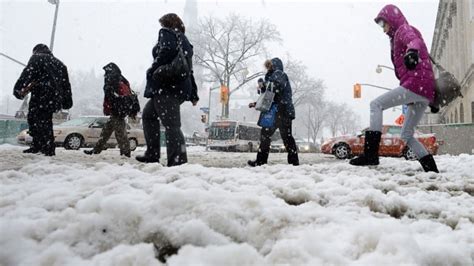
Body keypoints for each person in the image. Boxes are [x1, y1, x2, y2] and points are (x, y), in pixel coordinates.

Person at [350, 4, 439, 173]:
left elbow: (416, 41)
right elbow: (427, 66)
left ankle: (370, 154)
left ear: (392, 20)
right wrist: (432, 98)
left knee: (376, 104)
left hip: (415, 85)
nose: (383, 29)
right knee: (406, 134)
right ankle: (431, 169)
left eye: (384, 24)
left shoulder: (403, 30)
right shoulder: (397, 35)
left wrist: (412, 52)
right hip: (424, 92)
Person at [136, 13, 199, 166]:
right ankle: (153, 154)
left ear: (166, 23)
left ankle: (177, 161)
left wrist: (155, 68)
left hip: (167, 86)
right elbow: (188, 68)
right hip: (177, 86)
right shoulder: (183, 39)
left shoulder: (167, 32)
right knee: (149, 116)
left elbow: (166, 51)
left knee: (172, 125)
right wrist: (193, 92)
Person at [13, 44, 72, 156]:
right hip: (54, 97)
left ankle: (44, 147)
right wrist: (67, 101)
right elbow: (66, 84)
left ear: (35, 51)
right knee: (45, 120)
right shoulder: (60, 64)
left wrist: (18, 88)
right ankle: (43, 146)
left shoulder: (37, 57)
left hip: (41, 93)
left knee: (35, 119)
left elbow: (27, 73)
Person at [248, 58, 299, 167]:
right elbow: (268, 95)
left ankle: (262, 161)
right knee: (282, 137)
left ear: (274, 65)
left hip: (281, 112)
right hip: (276, 113)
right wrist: (256, 103)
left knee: (279, 137)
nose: (269, 67)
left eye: (270, 65)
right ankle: (293, 162)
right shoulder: (272, 76)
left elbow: (276, 87)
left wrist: (264, 84)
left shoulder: (279, 74)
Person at [84, 63, 132, 157]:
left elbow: (110, 97)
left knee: (120, 133)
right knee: (106, 131)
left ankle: (126, 153)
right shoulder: (121, 79)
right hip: (119, 110)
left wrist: (110, 107)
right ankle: (96, 150)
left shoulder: (113, 80)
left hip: (117, 111)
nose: (105, 74)